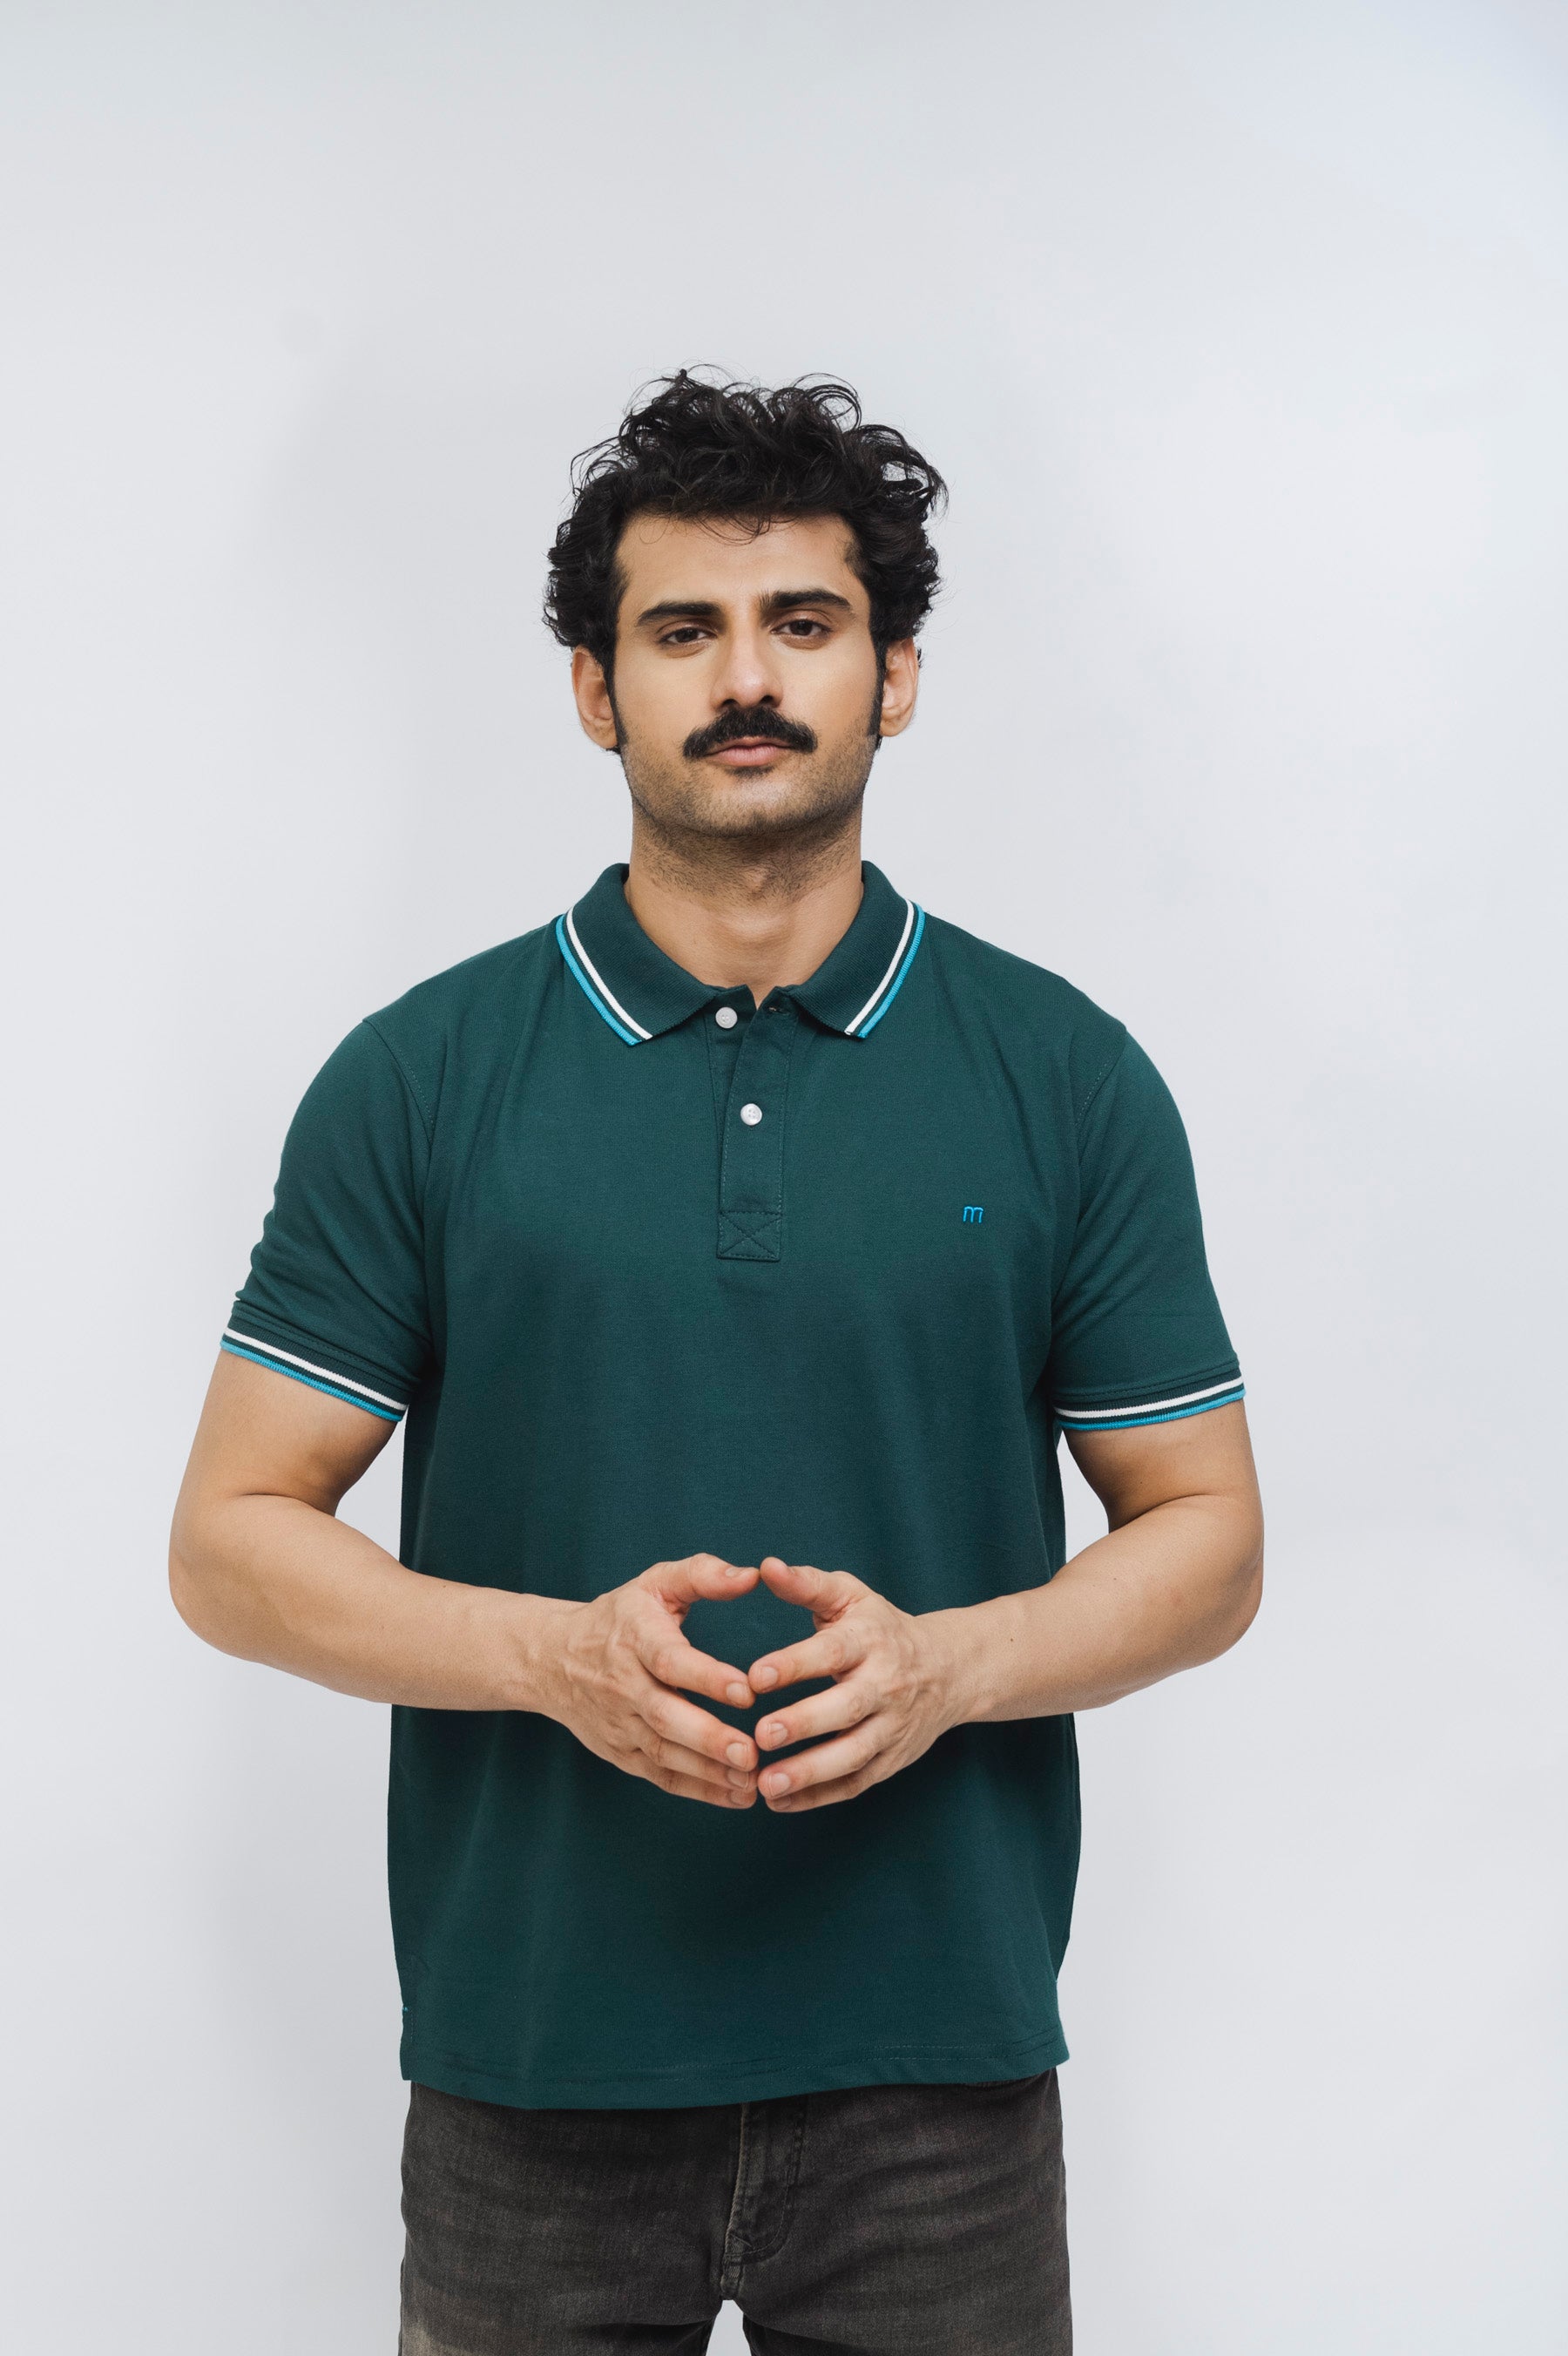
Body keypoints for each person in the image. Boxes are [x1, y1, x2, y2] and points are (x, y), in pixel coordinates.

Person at [170, 372, 1263, 2354]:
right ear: (598, 692)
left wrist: (952, 1669)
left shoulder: (1063, 1074)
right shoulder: (422, 1076)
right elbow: (230, 1540)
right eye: (684, 630)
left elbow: (1209, 1538)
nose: (746, 678)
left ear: (893, 674)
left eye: (802, 623)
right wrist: (551, 1659)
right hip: (532, 2072)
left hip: (939, 2078)